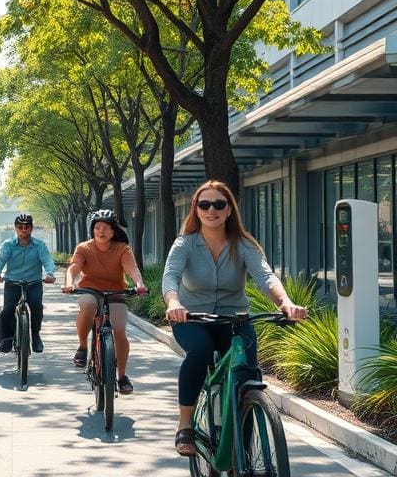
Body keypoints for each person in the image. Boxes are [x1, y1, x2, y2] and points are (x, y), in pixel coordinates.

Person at [163, 180, 308, 457]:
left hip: (235, 319)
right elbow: (170, 277)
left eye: (219, 204)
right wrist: (174, 302)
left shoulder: (243, 244)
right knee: (200, 352)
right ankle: (185, 426)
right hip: (192, 318)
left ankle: (242, 461)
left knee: (246, 377)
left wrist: (286, 302)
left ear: (229, 209)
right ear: (196, 209)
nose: (211, 210)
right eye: (204, 204)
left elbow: (265, 277)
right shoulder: (184, 244)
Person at [62, 209, 147, 394]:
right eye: (97, 227)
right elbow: (74, 268)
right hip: (90, 290)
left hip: (115, 292)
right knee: (88, 304)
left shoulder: (122, 249)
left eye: (106, 228)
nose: (101, 231)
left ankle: (122, 376)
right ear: (93, 229)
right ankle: (83, 347)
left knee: (118, 330)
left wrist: (139, 284)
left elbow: (131, 268)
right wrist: (69, 283)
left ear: (113, 231)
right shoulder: (84, 248)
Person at [0, 213, 56, 353]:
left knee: (36, 306)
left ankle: (35, 336)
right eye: (20, 227)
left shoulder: (39, 245)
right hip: (12, 283)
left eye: (26, 227)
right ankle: (7, 338)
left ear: (31, 229)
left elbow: (47, 260)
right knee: (7, 309)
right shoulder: (8, 245)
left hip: (34, 282)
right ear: (15, 228)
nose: (23, 230)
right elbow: (1, 259)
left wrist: (50, 274)